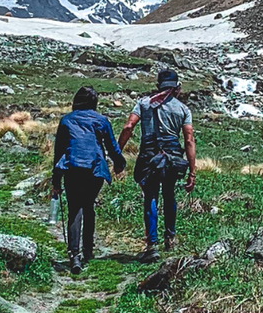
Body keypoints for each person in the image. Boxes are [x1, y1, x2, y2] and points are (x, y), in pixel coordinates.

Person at [119, 69, 195, 261]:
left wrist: (117, 151)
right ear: (177, 88)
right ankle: (170, 237)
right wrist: (192, 172)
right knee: (169, 195)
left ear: (157, 87)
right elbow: (189, 140)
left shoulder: (144, 104)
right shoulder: (183, 110)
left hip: (149, 156)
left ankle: (151, 244)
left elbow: (128, 127)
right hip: (172, 156)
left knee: (150, 196)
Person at [51, 86, 126, 274]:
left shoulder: (66, 120)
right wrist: (120, 164)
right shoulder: (101, 120)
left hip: (72, 167)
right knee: (88, 206)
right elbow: (112, 147)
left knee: (74, 208)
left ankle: (74, 255)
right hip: (95, 169)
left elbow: (59, 151)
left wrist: (56, 181)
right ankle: (88, 251)